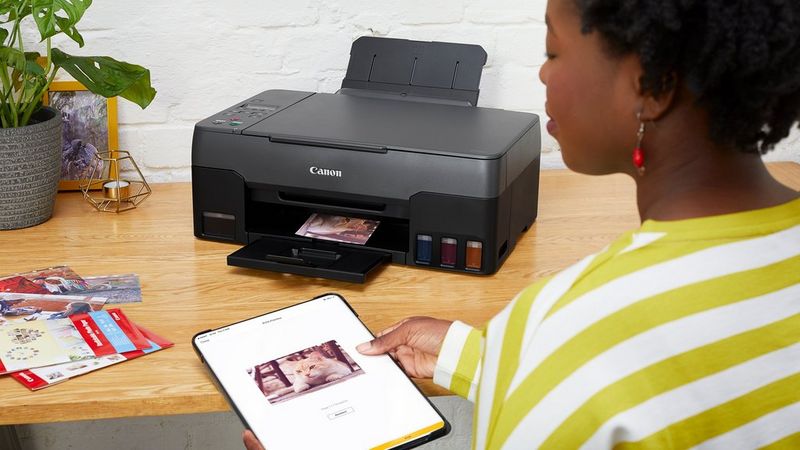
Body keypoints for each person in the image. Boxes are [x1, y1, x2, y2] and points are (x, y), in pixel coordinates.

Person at [244, 0, 800, 448]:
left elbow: (596, 367)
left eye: (553, 51)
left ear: (651, 86)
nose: (541, 71)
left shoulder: (579, 328)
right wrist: (493, 354)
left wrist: (542, 347)